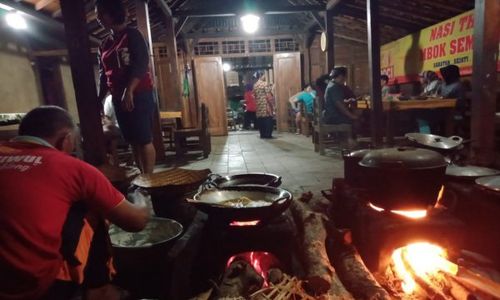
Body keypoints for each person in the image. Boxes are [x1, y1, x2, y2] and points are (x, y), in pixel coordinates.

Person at [0, 106, 150, 299]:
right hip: (32, 287)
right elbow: (137, 221)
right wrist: (139, 194)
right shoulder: (74, 168)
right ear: (65, 139)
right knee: (89, 208)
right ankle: (99, 290)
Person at [96, 0, 156, 174]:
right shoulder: (104, 44)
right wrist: (100, 98)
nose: (99, 18)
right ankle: (142, 176)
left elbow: (141, 64)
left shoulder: (133, 35)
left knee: (144, 138)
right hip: (117, 97)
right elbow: (103, 74)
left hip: (139, 94)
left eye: (102, 13)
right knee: (133, 140)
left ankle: (149, 177)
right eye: (98, 14)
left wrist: (129, 90)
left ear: (114, 12)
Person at [254, 72, 274, 139]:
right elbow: (268, 96)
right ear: (261, 76)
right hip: (266, 105)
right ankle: (268, 135)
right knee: (268, 119)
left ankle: (262, 134)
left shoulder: (255, 85)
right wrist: (272, 104)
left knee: (261, 120)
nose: (265, 77)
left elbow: (254, 95)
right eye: (264, 75)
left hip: (258, 105)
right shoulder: (265, 84)